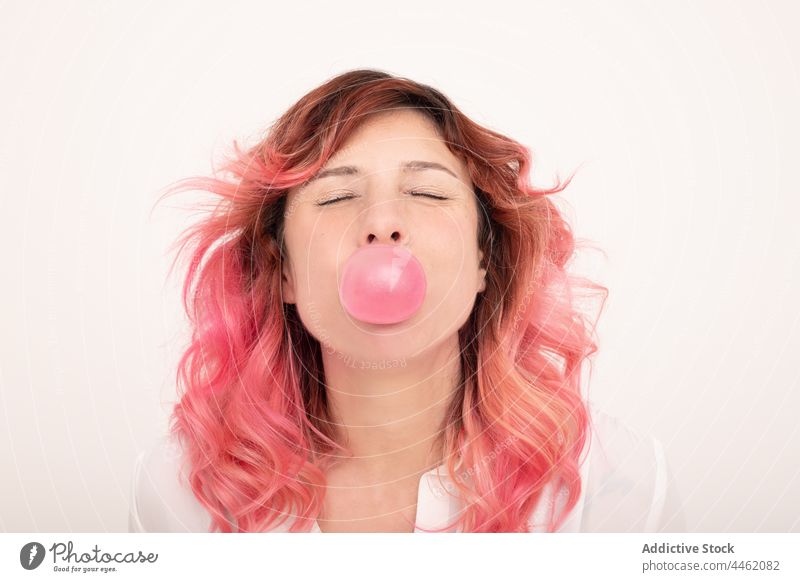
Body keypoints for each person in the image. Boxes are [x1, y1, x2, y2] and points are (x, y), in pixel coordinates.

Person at [129, 69, 686, 533]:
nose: (383, 224)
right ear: (283, 273)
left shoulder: (618, 490)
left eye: (426, 192)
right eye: (338, 195)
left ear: (484, 262)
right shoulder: (179, 493)